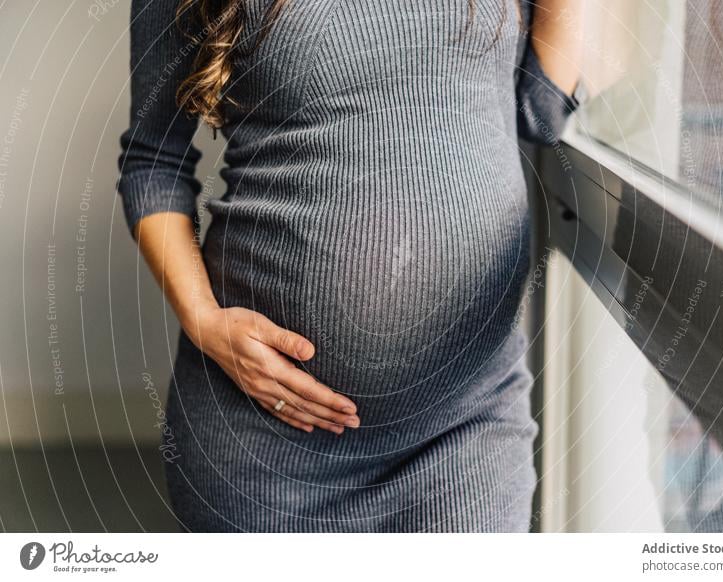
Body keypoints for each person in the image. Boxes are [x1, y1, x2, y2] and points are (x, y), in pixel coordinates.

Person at [117, 0, 582, 532]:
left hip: (465, 425)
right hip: (265, 440)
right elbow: (152, 163)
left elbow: (541, 113)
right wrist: (202, 319)